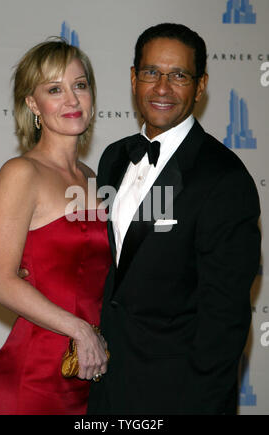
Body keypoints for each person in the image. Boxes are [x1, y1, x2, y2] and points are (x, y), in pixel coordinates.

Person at [87, 23, 261, 415]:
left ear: (200, 87)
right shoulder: (114, 158)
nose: (162, 87)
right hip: (106, 387)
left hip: (177, 396)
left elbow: (224, 322)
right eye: (151, 72)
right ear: (134, 79)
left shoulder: (224, 179)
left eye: (179, 75)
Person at [0, 39, 112, 415]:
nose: (72, 100)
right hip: (36, 372)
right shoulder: (21, 173)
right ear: (32, 104)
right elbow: (0, 282)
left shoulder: (94, 178)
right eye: (55, 90)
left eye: (80, 85)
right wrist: (79, 328)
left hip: (92, 370)